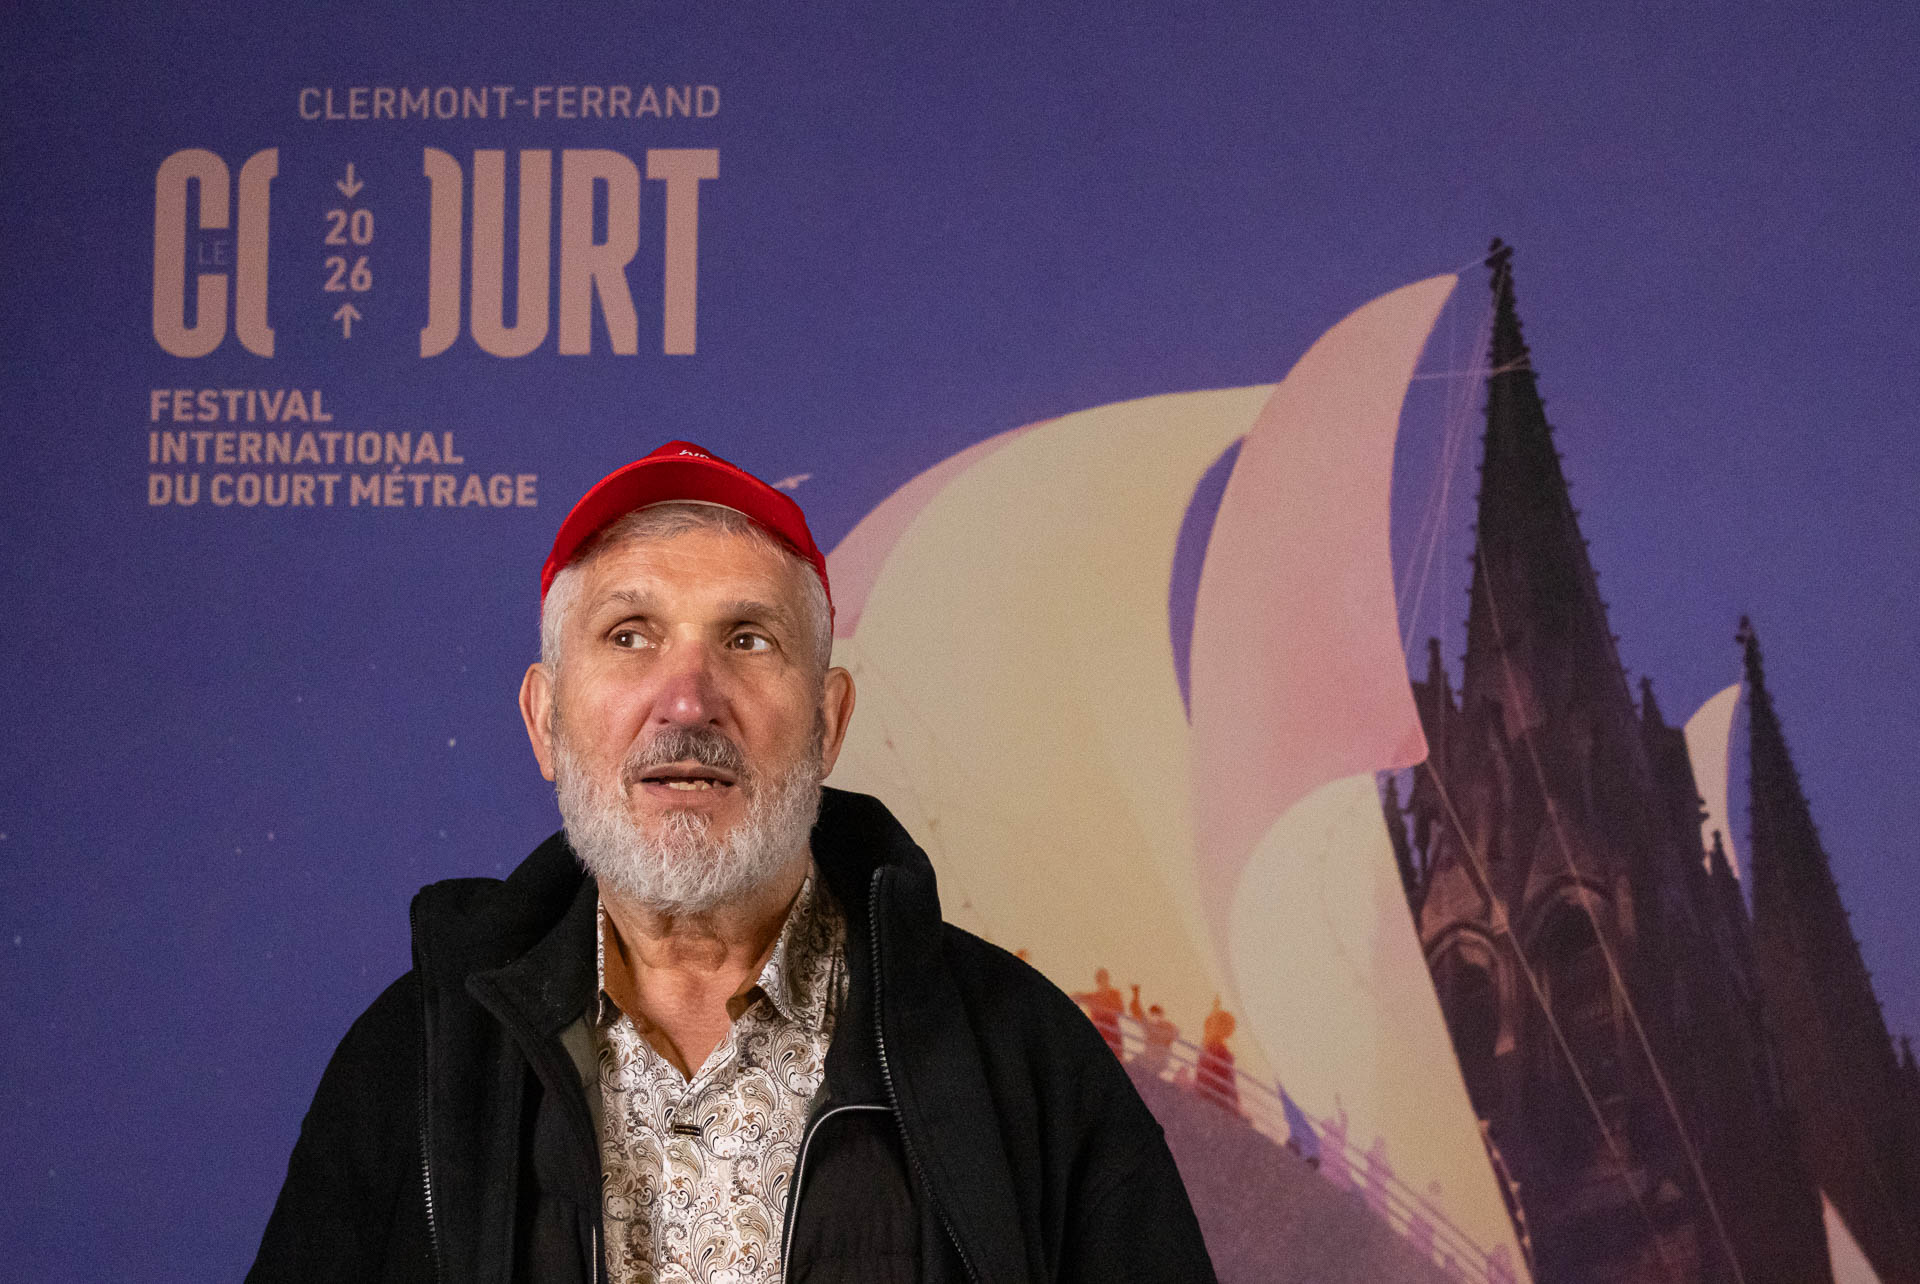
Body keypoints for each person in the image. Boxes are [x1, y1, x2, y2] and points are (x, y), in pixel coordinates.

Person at [248, 440, 1215, 1283]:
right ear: (545, 722)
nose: (687, 698)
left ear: (829, 722)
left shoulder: (1021, 1060)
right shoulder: (419, 1063)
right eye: (630, 636)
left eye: (747, 640)